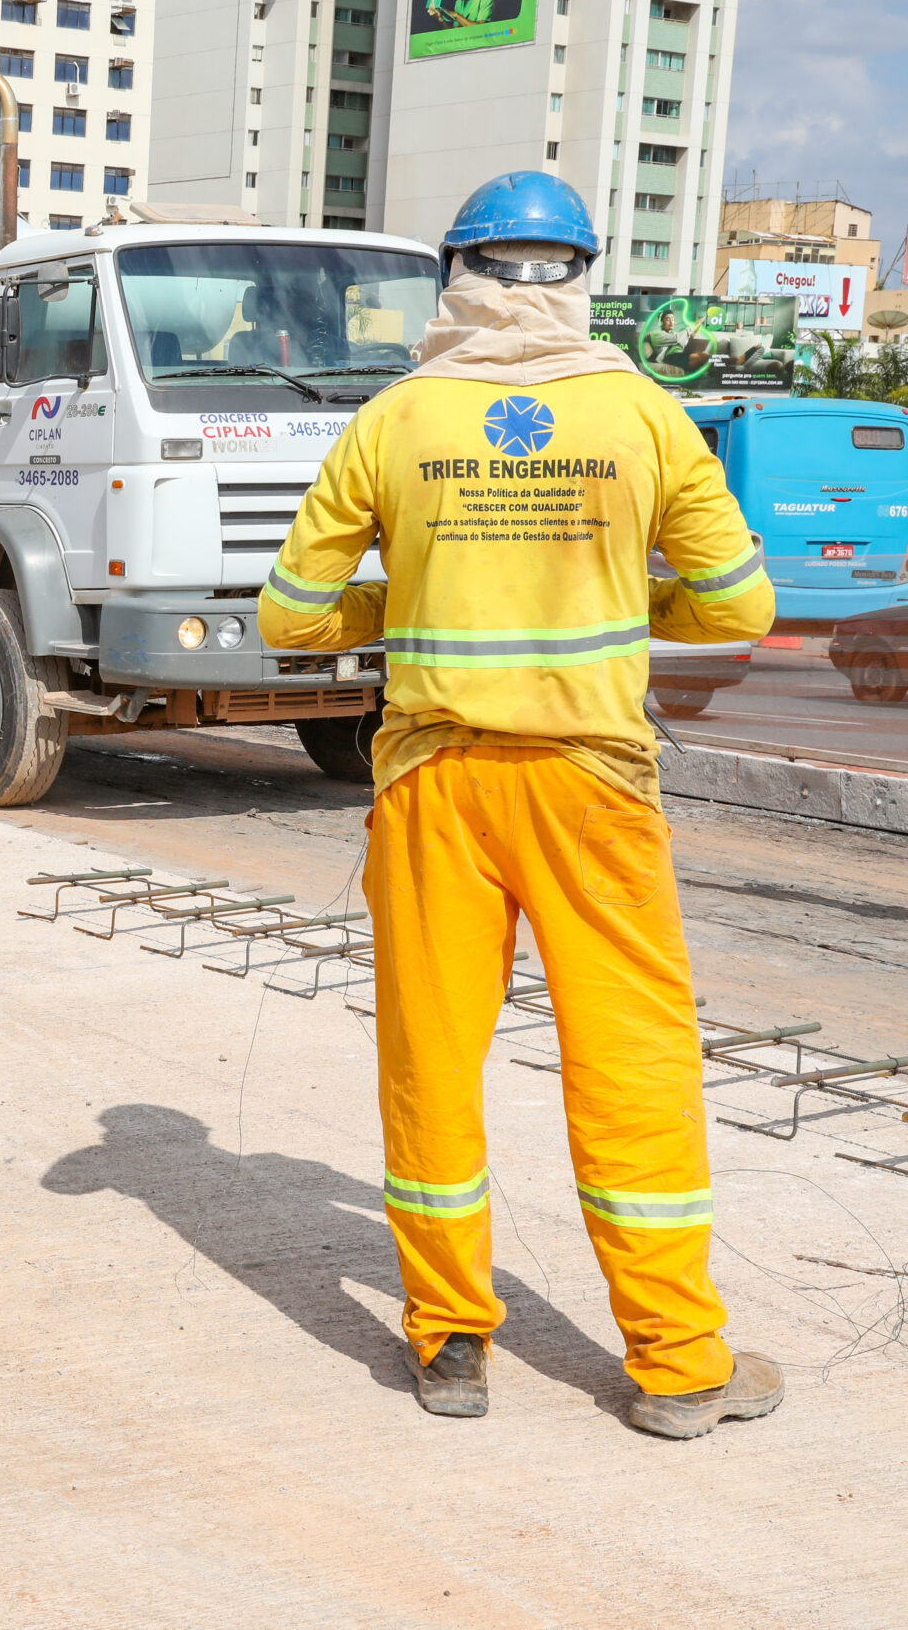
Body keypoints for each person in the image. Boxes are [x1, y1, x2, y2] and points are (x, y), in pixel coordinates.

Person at [259, 171, 780, 1441]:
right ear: (579, 275)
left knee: (431, 1062)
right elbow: (739, 607)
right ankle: (676, 1366)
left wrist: (418, 604)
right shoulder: (645, 416)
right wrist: (617, 605)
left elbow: (290, 613)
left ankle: (447, 1348)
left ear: (457, 274)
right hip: (592, 789)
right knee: (632, 1066)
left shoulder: (391, 420)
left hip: (434, 784)